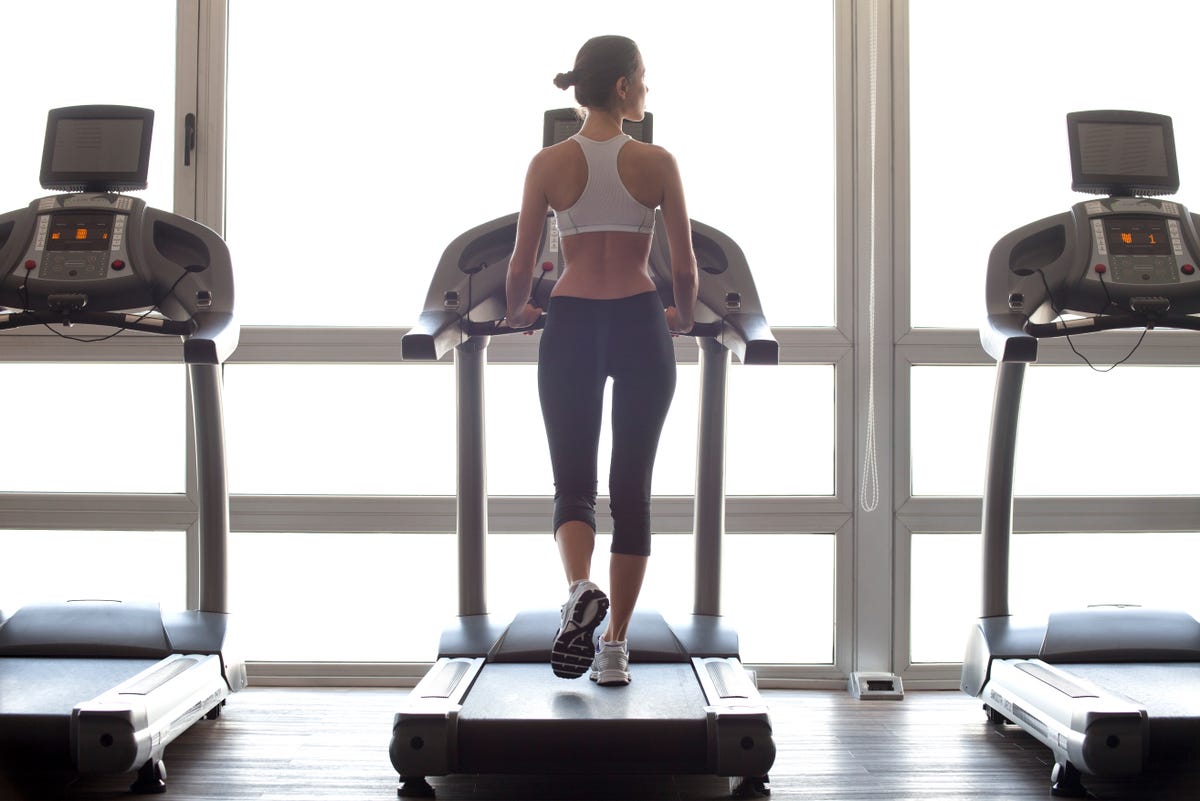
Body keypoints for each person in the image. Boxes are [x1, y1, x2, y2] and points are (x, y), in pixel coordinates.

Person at [503, 35, 698, 687]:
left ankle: (581, 589)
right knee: (632, 491)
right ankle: (613, 646)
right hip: (641, 321)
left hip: (574, 321)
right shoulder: (659, 162)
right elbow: (687, 270)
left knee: (573, 484)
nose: (646, 90)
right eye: (642, 79)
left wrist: (522, 313)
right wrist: (681, 317)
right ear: (621, 87)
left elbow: (522, 265)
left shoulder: (548, 164)